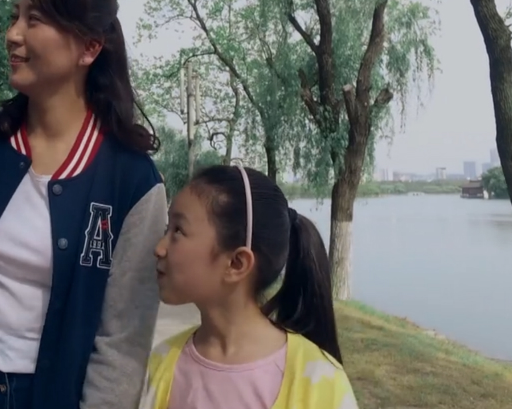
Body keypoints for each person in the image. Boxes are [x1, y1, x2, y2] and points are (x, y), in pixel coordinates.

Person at [0, 0, 168, 409]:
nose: (12, 34)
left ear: (89, 47)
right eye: (15, 16)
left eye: (35, 20)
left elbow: (123, 340)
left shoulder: (132, 181)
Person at [141, 165, 358, 409]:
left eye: (178, 231)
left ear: (237, 263)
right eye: (167, 228)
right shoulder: (162, 362)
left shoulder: (321, 383)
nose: (159, 248)